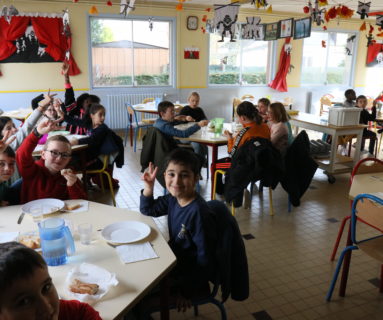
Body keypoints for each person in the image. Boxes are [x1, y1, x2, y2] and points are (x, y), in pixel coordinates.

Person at [140, 149, 216, 311]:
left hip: (190, 279)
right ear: (165, 175)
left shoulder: (199, 214)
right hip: (175, 264)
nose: (176, 181)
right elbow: (149, 210)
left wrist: (186, 292)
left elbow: (205, 261)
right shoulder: (173, 198)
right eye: (171, 174)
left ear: (196, 178)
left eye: (184, 175)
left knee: (139, 303)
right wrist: (149, 187)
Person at [0, 241, 102, 320]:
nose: (46, 307)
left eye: (46, 287)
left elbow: (83, 312)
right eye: (24, 301)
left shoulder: (72, 314)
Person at [16, 120, 87, 203]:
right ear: (43, 154)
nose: (59, 158)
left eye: (65, 155)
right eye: (54, 153)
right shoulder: (32, 171)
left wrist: (72, 185)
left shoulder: (68, 175)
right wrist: (36, 133)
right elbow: (21, 155)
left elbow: (82, 202)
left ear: (69, 159)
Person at [58, 103, 123, 188]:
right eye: (100, 115)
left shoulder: (103, 128)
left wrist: (77, 141)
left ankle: (72, 185)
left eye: (104, 115)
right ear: (92, 116)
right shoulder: (90, 124)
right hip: (91, 156)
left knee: (70, 161)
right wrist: (64, 116)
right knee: (68, 158)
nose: (103, 118)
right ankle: (75, 182)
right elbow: (76, 121)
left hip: (97, 161)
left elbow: (93, 140)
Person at [61, 62, 100, 134]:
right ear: (82, 102)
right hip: (71, 137)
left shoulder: (93, 115)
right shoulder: (74, 109)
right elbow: (69, 93)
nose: (89, 104)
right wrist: (66, 76)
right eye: (87, 101)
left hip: (86, 140)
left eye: (92, 103)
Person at [178, 92, 209, 165]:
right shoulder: (185, 109)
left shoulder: (199, 110)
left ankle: (201, 162)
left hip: (196, 134)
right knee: (197, 145)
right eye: (193, 100)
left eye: (197, 101)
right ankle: (199, 164)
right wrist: (185, 118)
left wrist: (205, 121)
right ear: (188, 100)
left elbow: (205, 119)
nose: (195, 103)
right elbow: (178, 121)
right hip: (185, 135)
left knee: (204, 144)